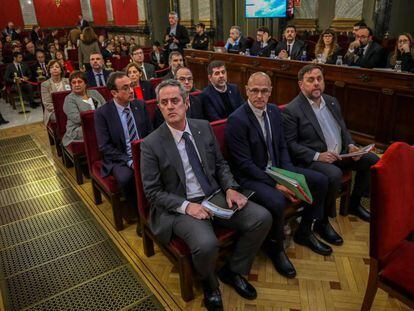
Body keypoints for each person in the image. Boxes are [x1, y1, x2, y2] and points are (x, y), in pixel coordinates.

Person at [140, 79, 272, 310]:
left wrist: (230, 187)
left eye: (175, 101)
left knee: (261, 218)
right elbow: (152, 192)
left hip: (214, 195)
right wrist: (187, 207)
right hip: (181, 206)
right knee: (206, 244)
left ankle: (233, 271)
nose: (170, 106)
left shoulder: (203, 127)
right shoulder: (151, 144)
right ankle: (210, 285)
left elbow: (220, 164)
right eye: (164, 103)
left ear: (186, 102)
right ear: (159, 107)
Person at [226, 71, 333, 278]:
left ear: (270, 92)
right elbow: (244, 164)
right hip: (251, 177)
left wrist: (287, 174)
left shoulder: (274, 111)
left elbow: (282, 146)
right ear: (246, 91)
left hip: (276, 169)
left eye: (264, 91)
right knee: (276, 200)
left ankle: (305, 231)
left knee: (320, 180)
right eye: (254, 91)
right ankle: (276, 247)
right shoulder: (237, 119)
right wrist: (277, 184)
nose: (259, 96)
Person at [282, 64, 380, 224]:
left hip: (341, 154)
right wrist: (318, 156)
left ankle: (354, 204)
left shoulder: (331, 101)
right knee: (334, 174)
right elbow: (291, 145)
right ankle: (324, 220)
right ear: (301, 84)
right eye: (310, 80)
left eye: (319, 79)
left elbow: (343, 129)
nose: (316, 83)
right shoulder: (292, 110)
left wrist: (350, 145)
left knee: (372, 160)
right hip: (316, 160)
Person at [95, 71, 153, 226]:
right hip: (119, 158)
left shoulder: (140, 105)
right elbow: (105, 147)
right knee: (127, 177)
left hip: (144, 153)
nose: (132, 90)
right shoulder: (103, 113)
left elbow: (150, 133)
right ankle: (139, 216)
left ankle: (157, 209)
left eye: (132, 86)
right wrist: (129, 161)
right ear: (114, 93)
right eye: (125, 88)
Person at [62, 71, 106, 147]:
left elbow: (106, 108)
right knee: (100, 130)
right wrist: (100, 118)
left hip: (99, 124)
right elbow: (77, 119)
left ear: (85, 83)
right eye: (73, 82)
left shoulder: (94, 93)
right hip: (79, 129)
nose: (76, 85)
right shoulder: (69, 99)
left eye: (79, 82)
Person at [40, 60, 71, 125]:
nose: (54, 68)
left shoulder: (68, 81)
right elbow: (47, 104)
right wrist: (61, 110)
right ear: (49, 71)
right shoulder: (45, 85)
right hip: (53, 111)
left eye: (57, 67)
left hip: (70, 108)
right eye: (52, 67)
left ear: (61, 70)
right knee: (61, 117)